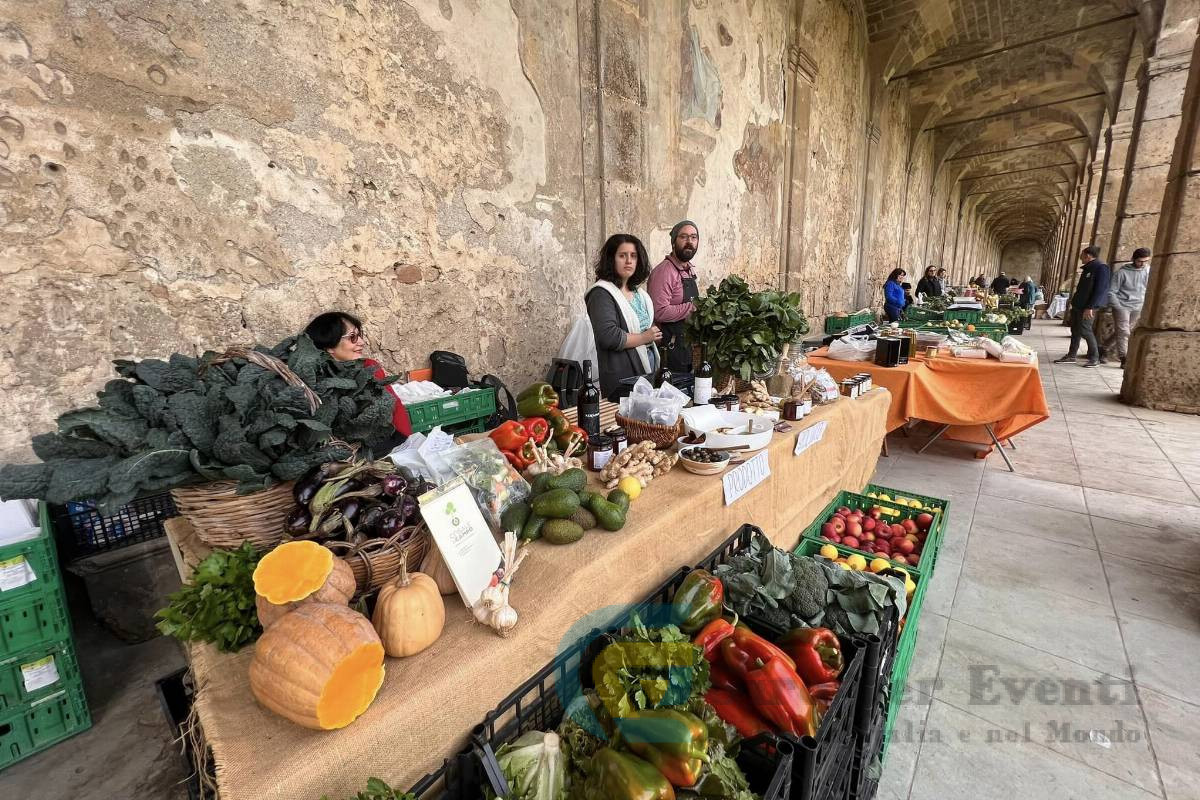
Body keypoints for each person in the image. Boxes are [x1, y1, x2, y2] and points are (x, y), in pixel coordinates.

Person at [304, 311, 413, 438]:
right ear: (329, 345)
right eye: (353, 337)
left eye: (359, 335)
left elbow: (396, 410)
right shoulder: (312, 378)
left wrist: (406, 442)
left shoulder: (369, 367)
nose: (361, 342)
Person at [586, 233, 661, 400]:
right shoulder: (601, 293)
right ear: (611, 259)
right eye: (622, 255)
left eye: (633, 256)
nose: (629, 261)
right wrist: (644, 337)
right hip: (622, 376)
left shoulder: (639, 294)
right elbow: (608, 336)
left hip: (647, 369)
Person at [648, 220, 701, 373]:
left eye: (693, 237)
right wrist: (692, 308)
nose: (689, 242)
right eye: (683, 237)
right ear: (673, 242)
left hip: (685, 346)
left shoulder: (688, 270)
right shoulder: (664, 272)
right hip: (669, 348)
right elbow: (659, 311)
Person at [1054, 246, 1111, 367]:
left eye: (1082, 254)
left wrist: (1090, 306)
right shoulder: (1088, 268)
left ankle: (1095, 358)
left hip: (1088, 307)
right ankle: (1071, 355)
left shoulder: (1101, 267)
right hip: (1079, 305)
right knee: (1075, 329)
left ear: (1088, 255)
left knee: (1085, 330)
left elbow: (1100, 290)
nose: (1080, 257)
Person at [1105, 247, 1151, 368]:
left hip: (1138, 306)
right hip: (1122, 306)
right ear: (1133, 259)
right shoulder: (1121, 272)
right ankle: (1124, 358)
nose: (1143, 264)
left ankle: (1103, 347)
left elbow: (1150, 289)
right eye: (1140, 261)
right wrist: (1118, 306)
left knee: (1123, 331)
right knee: (1124, 332)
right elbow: (1111, 291)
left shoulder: (1148, 270)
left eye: (1146, 261)